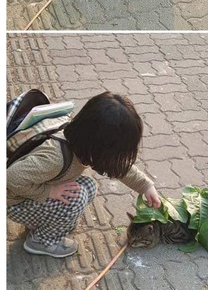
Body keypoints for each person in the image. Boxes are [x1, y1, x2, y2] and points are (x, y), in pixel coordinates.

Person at [7, 92, 161, 258]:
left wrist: (145, 186)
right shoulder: (55, 159)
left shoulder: (81, 140)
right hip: (14, 202)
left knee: (89, 186)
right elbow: (10, 178)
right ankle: (41, 242)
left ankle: (42, 221)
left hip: (32, 187)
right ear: (101, 147)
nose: (117, 159)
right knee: (76, 199)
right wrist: (48, 192)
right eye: (116, 153)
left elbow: (117, 167)